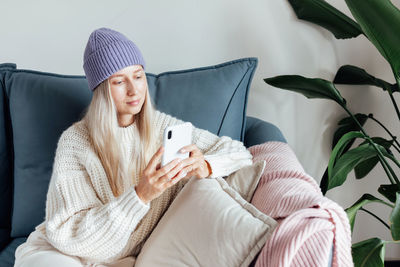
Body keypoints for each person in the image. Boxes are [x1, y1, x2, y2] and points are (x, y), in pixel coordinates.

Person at [14, 27, 253, 267]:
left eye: (138, 76)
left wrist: (206, 165)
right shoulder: (75, 142)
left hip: (123, 258)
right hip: (64, 252)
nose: (133, 89)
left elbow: (240, 154)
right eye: (119, 81)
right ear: (101, 90)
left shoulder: (162, 127)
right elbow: (72, 236)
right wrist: (140, 195)